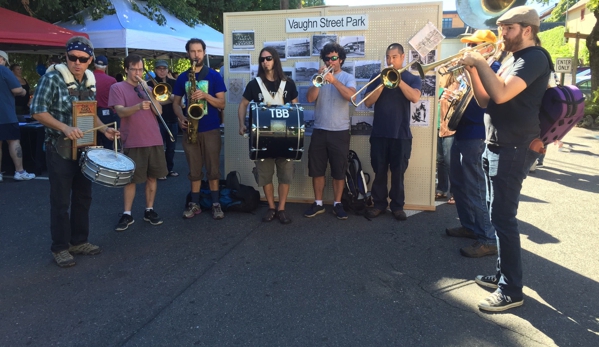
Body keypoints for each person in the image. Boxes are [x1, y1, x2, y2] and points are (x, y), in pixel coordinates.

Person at [458, 6, 550, 311]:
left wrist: (479, 61)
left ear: (527, 29)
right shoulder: (511, 58)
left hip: (514, 146)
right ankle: (502, 274)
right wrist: (472, 70)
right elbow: (485, 99)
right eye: (500, 27)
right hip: (495, 143)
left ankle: (511, 290)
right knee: (495, 213)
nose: (502, 34)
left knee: (503, 219)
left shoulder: (534, 58)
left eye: (507, 28)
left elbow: (501, 94)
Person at [30, 36, 119, 267]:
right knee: (60, 202)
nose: (76, 63)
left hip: (83, 149)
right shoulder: (51, 79)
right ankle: (60, 247)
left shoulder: (89, 79)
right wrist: (64, 127)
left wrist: (104, 130)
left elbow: (90, 113)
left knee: (83, 197)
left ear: (90, 60)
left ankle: (79, 241)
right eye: (72, 58)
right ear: (66, 57)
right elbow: (37, 111)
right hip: (58, 149)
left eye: (82, 59)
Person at [445, 30, 501, 259]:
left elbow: (486, 99)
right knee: (459, 184)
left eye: (473, 45)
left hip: (477, 134)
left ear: (487, 48)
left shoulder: (493, 69)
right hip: (462, 132)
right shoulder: (472, 70)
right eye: (467, 44)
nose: (467, 47)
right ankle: (469, 226)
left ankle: (487, 238)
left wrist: (471, 72)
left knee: (476, 187)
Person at [237, 47, 299, 224]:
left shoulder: (288, 83)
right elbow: (242, 105)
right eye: (262, 59)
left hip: (285, 138)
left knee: (285, 175)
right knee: (265, 175)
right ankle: (271, 207)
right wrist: (241, 124)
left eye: (269, 58)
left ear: (275, 60)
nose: (265, 62)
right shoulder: (254, 84)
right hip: (261, 138)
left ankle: (282, 209)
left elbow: (296, 108)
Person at [363, 43, 422, 221]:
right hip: (380, 133)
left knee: (398, 173)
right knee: (379, 171)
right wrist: (382, 83)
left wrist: (397, 79)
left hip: (401, 135)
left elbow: (415, 97)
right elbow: (367, 102)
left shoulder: (411, 78)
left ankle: (397, 206)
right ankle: (379, 204)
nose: (390, 60)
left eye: (394, 57)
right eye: (388, 57)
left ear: (403, 57)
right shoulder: (376, 77)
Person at [109, 54, 168, 231]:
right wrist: (137, 106)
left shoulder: (148, 88)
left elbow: (159, 113)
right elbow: (120, 112)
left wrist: (150, 92)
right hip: (133, 139)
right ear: (126, 69)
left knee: (152, 177)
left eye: (140, 69)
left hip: (154, 138)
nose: (137, 73)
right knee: (131, 180)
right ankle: (127, 214)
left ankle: (149, 210)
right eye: (134, 69)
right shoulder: (117, 87)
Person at [172, 38, 227, 220]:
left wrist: (205, 95)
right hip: (190, 129)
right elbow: (176, 103)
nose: (196, 55)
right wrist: (181, 118)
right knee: (194, 170)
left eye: (199, 51)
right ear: (188, 53)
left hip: (210, 128)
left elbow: (222, 103)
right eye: (193, 51)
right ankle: (194, 204)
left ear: (204, 52)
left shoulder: (214, 75)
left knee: (213, 169)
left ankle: (216, 204)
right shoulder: (182, 77)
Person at [303, 43, 356, 220]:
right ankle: (318, 203)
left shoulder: (348, 77)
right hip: (319, 130)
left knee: (338, 170)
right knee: (317, 169)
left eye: (334, 58)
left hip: (339, 131)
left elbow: (351, 97)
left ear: (340, 59)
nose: (330, 61)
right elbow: (310, 98)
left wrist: (334, 81)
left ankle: (337, 204)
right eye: (327, 59)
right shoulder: (318, 77)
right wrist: (320, 79)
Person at [0, 51, 35, 182]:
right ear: (2, 59)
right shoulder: (3, 70)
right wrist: (24, 91)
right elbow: (17, 89)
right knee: (13, 141)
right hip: (6, 113)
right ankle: (19, 171)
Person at [148, 60, 179, 179]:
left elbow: (179, 100)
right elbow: (155, 103)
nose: (162, 71)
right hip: (157, 120)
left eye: (164, 68)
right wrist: (171, 99)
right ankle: (159, 171)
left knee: (171, 148)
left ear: (167, 70)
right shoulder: (149, 83)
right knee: (158, 148)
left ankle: (168, 169)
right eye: (159, 68)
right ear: (155, 70)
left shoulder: (174, 82)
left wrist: (163, 100)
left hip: (173, 119)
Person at [436, 73, 457, 204]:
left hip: (449, 129)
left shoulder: (455, 87)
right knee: (440, 160)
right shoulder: (437, 88)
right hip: (438, 128)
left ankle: (454, 192)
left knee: (450, 162)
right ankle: (442, 189)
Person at [92, 55, 118, 149]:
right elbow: (116, 100)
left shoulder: (86, 78)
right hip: (106, 114)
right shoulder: (112, 80)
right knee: (108, 145)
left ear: (94, 65)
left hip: (89, 113)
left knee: (92, 144)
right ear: (106, 66)